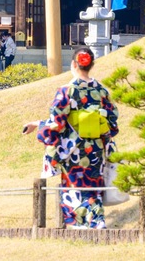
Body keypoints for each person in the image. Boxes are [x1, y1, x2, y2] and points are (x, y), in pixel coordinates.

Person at [23, 47, 119, 229]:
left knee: (74, 187)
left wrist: (37, 124)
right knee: (93, 185)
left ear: (74, 64)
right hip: (96, 148)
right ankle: (96, 221)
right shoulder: (102, 91)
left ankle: (84, 225)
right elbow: (112, 119)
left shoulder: (67, 91)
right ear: (91, 65)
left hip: (73, 150)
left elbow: (56, 123)